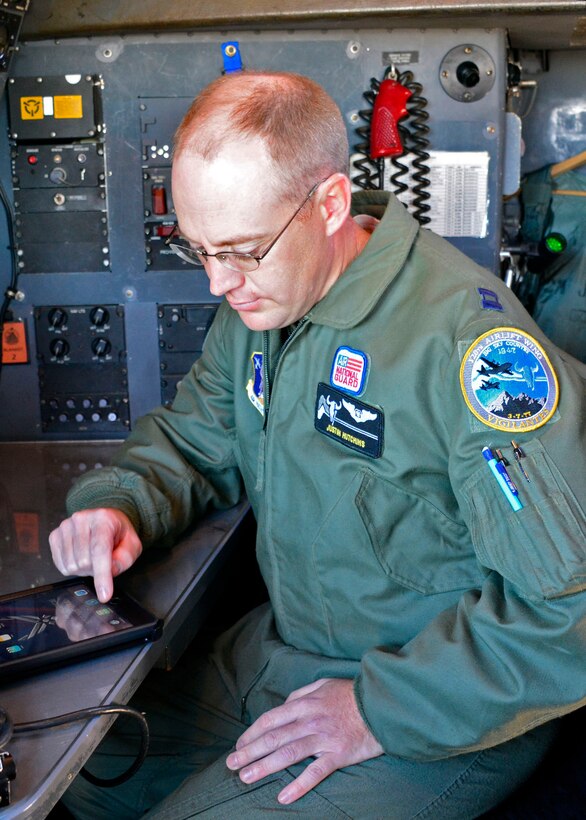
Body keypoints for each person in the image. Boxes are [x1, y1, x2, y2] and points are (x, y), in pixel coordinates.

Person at [49, 70, 586, 819]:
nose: (216, 284)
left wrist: (375, 709)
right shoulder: (264, 301)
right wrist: (119, 507)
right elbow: (194, 439)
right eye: (198, 250)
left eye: (239, 251)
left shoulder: (476, 351)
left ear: (330, 205)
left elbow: (571, 614)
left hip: (435, 705)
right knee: (66, 758)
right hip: (279, 657)